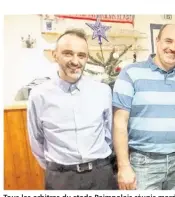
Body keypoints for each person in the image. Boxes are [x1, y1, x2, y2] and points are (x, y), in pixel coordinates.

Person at [112, 24, 175, 190]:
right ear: (157, 41)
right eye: (168, 41)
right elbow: (119, 123)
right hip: (144, 165)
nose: (173, 48)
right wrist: (123, 166)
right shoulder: (130, 74)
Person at [26, 28, 117, 190]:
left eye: (81, 55)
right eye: (68, 53)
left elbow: (109, 134)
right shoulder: (39, 95)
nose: (76, 61)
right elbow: (36, 140)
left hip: (101, 175)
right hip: (61, 178)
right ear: (55, 55)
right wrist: (59, 169)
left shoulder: (102, 91)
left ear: (86, 58)